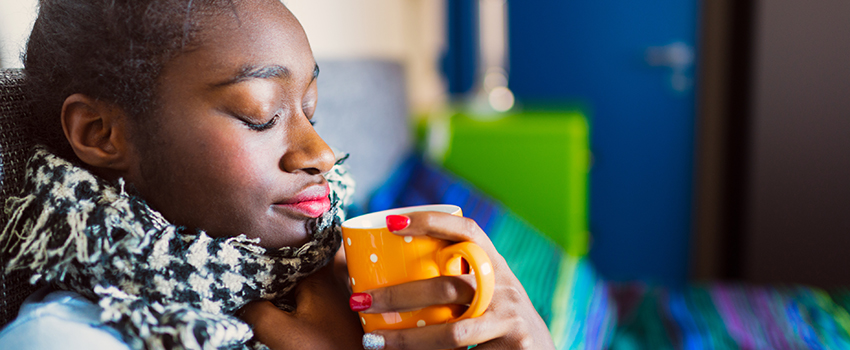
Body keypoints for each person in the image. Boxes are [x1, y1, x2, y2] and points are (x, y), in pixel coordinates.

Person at [0, 0, 555, 349]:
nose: (322, 152)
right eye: (259, 115)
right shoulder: (62, 338)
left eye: (310, 111)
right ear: (101, 133)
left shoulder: (341, 289)